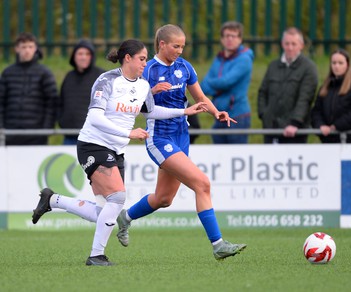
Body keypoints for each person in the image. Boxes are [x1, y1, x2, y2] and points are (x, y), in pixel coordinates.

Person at [31, 39, 207, 266]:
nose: (145, 63)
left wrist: (184, 110)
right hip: (92, 145)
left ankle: (52, 200)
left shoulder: (143, 85)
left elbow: (152, 112)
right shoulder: (107, 81)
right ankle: (96, 256)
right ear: (128, 58)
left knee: (106, 214)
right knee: (118, 197)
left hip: (116, 150)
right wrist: (128, 132)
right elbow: (95, 117)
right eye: (142, 59)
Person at [116, 24, 247, 260]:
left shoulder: (184, 67)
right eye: (176, 46)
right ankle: (218, 244)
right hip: (159, 138)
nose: (180, 50)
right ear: (162, 44)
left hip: (181, 137)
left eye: (183, 46)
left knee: (163, 199)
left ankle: (125, 217)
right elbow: (136, 108)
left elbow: (200, 97)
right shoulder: (147, 70)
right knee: (202, 183)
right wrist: (151, 92)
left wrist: (216, 112)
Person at [257, 27, 318, 144]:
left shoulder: (308, 68)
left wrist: (295, 122)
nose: (290, 47)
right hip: (271, 129)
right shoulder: (273, 66)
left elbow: (305, 98)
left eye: (294, 44)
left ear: (301, 45)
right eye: (287, 43)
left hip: (294, 132)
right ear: (282, 44)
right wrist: (264, 114)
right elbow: (263, 92)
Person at [0, 32, 58, 145]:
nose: (27, 50)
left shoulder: (44, 73)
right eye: (23, 47)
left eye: (30, 47)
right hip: (10, 135)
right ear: (17, 49)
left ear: (35, 48)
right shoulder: (7, 73)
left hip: (37, 136)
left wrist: (46, 130)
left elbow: (52, 102)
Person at [200, 21, 253, 144]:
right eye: (226, 36)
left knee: (237, 158)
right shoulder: (219, 58)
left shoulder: (244, 59)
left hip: (237, 115)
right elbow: (203, 86)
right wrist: (218, 85)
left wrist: (214, 84)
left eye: (233, 36)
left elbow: (226, 82)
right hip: (219, 115)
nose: (229, 39)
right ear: (222, 39)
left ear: (240, 39)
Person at [311, 48, 351, 143]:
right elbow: (316, 111)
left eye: (340, 63)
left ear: (347, 65)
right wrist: (320, 125)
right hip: (328, 141)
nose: (336, 66)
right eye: (334, 63)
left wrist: (337, 126)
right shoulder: (325, 87)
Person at [58, 39, 105, 145]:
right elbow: (60, 102)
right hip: (69, 136)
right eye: (80, 53)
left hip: (93, 137)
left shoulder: (102, 76)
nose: (83, 57)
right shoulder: (69, 77)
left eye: (87, 54)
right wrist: (62, 121)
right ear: (74, 56)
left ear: (92, 56)